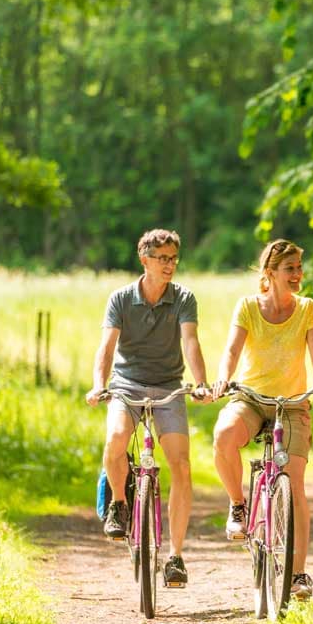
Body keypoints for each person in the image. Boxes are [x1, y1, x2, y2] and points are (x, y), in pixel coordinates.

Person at [210, 239, 313, 602]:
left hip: (293, 404)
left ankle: (298, 574)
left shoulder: (307, 309)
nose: (298, 274)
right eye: (290, 269)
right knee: (223, 435)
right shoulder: (249, 307)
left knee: (294, 483)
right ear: (270, 273)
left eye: (299, 267)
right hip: (251, 398)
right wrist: (223, 376)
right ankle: (238, 503)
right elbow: (232, 350)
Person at [85, 228, 211, 588]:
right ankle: (120, 504)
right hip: (127, 385)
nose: (169, 265)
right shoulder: (121, 299)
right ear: (145, 259)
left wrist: (200, 383)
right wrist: (99, 385)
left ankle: (175, 556)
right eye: (162, 258)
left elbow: (191, 342)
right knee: (116, 439)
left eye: (173, 258)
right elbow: (106, 349)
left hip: (169, 386)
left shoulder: (184, 298)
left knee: (182, 466)